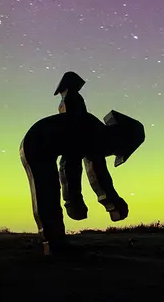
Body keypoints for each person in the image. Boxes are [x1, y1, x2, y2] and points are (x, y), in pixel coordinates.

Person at [19, 102, 144, 256]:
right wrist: (74, 200)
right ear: (118, 137)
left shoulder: (93, 131)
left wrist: (111, 202)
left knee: (48, 194)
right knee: (47, 194)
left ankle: (55, 243)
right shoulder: (93, 132)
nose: (110, 154)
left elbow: (96, 173)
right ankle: (53, 244)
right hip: (38, 144)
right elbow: (76, 167)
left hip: (37, 142)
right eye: (115, 151)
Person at [54, 71, 128, 223]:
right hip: (81, 137)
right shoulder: (72, 97)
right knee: (82, 166)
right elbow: (76, 118)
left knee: (78, 167)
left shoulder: (67, 99)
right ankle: (77, 204)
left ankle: (77, 204)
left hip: (81, 136)